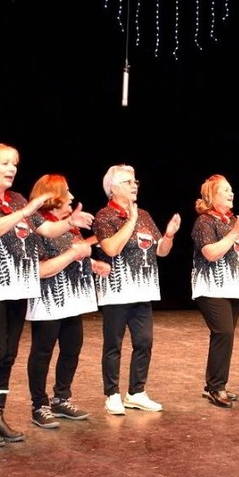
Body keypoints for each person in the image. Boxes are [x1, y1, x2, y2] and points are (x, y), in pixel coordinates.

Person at [0, 143, 93, 446]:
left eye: (15, 164)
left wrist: (69, 223)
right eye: (5, 163)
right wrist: (25, 211)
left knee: (8, 354)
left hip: (19, 285)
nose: (12, 169)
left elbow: (44, 231)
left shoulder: (17, 198)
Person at [94, 165, 180, 415]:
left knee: (144, 341)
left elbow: (160, 251)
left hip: (143, 291)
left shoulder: (144, 214)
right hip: (117, 292)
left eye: (135, 181)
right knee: (114, 344)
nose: (134, 185)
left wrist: (169, 235)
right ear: (112, 188)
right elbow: (111, 249)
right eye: (128, 181)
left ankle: (136, 392)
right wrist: (130, 220)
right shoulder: (104, 216)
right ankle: (112, 395)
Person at [25, 174, 99, 429]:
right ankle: (39, 405)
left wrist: (92, 261)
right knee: (43, 351)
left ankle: (61, 398)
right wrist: (74, 253)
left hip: (72, 299)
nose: (71, 196)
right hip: (47, 299)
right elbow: (42, 269)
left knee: (72, 346)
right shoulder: (37, 224)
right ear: (53, 196)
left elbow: (74, 253)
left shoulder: (70, 226)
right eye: (66, 192)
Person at [191, 174, 239, 408]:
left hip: (233, 286)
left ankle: (215, 385)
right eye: (225, 191)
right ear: (212, 196)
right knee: (224, 333)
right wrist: (236, 231)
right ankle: (216, 386)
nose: (232, 194)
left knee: (225, 336)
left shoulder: (231, 221)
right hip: (211, 287)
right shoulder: (204, 222)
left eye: (231, 190)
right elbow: (211, 253)